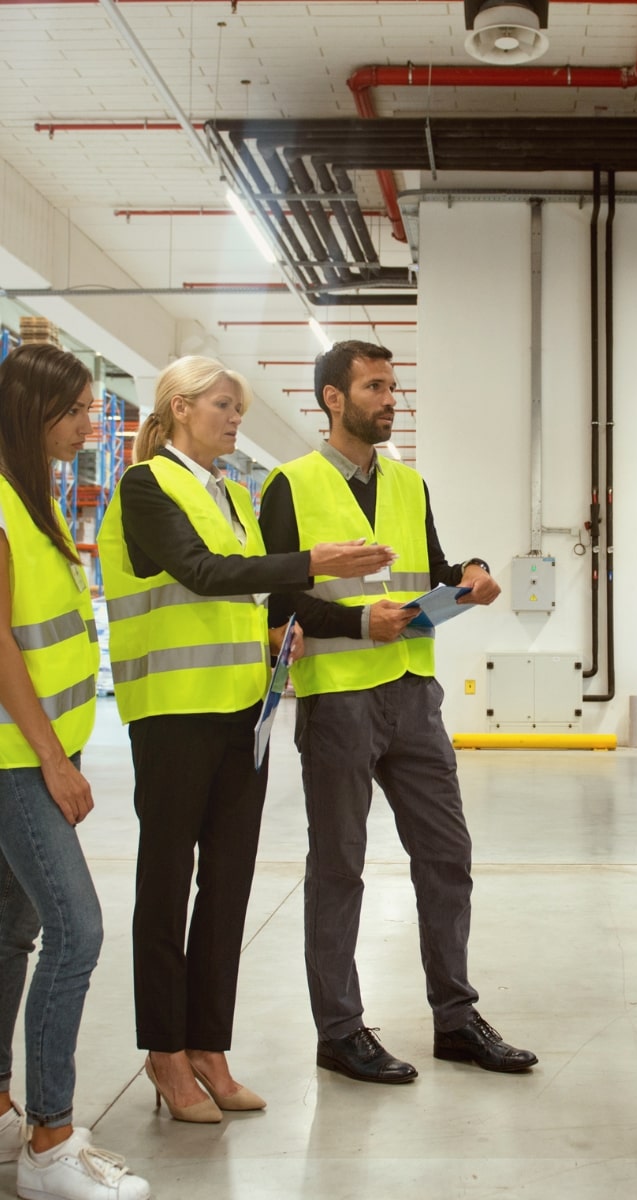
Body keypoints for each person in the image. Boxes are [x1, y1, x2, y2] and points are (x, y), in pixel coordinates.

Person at [96, 356, 393, 1123]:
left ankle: (210, 1050)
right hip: (171, 713)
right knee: (165, 887)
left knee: (226, 887)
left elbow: (246, 589)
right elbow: (200, 572)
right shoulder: (145, 486)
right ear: (182, 407)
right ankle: (165, 1054)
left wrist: (277, 631)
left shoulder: (230, 492)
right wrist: (311, 562)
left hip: (242, 714)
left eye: (240, 408)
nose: (236, 419)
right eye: (225, 405)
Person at [258, 340, 537, 1082]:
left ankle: (455, 1018)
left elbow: (432, 569)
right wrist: (356, 625)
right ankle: (339, 1030)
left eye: (392, 387)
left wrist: (469, 575)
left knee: (447, 856)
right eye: (375, 386)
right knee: (339, 866)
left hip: (415, 693)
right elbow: (278, 599)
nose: (390, 400)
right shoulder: (290, 484)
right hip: (340, 699)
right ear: (333, 399)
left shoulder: (411, 485)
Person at [0, 344, 150, 1199]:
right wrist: (55, 761)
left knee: (11, 933)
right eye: (78, 410)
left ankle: (2, 1115)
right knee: (77, 932)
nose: (90, 424)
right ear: (34, 411)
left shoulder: (36, 497)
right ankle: (51, 1143)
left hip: (38, 749)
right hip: (21, 758)